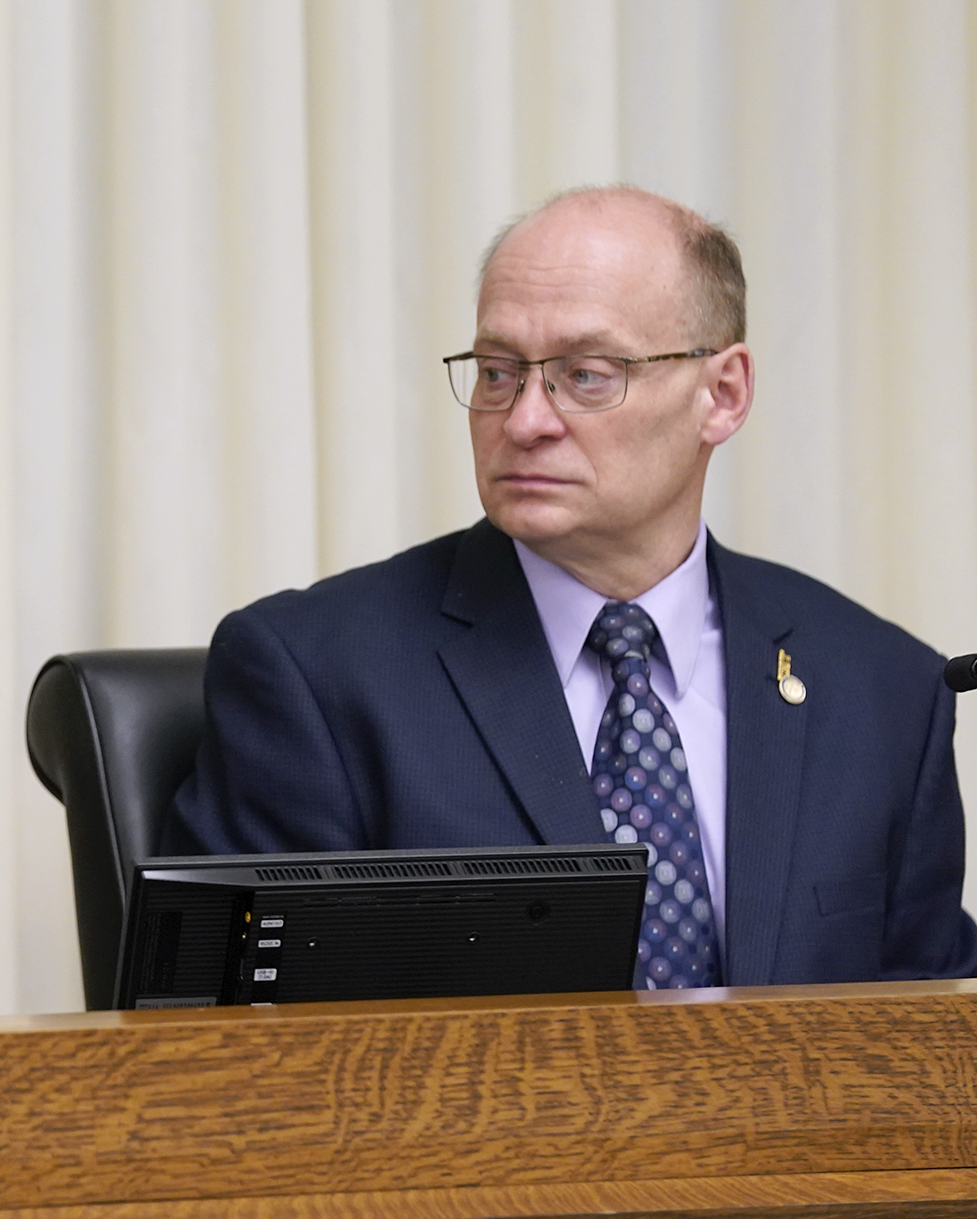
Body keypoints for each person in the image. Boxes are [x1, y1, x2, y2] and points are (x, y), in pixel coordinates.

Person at [167, 185, 977, 989]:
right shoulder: (317, 677)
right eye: (497, 372)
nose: (524, 420)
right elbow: (240, 1061)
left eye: (586, 375)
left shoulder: (884, 693)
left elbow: (937, 1053)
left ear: (722, 395)